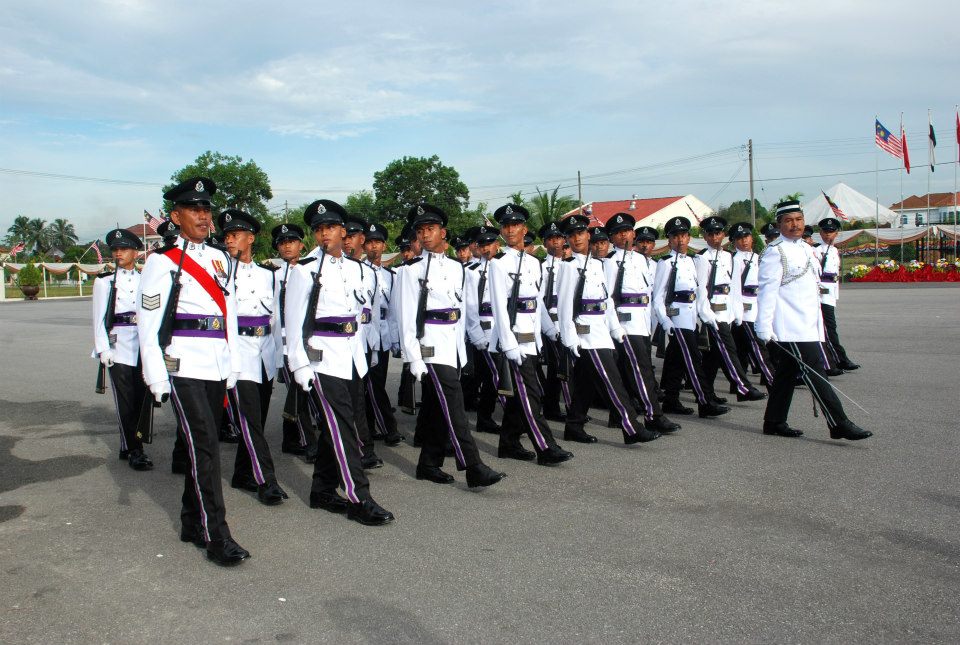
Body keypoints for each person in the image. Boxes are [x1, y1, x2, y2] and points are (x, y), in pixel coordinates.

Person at [137, 176, 250, 565]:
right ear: (176, 216)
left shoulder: (220, 259)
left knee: (204, 445)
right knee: (205, 448)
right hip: (182, 364)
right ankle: (216, 534)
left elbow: (229, 313)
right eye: (193, 210)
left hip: (216, 362)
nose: (203, 216)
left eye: (206, 210)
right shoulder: (161, 261)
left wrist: (233, 361)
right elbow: (149, 323)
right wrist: (156, 374)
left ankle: (190, 521)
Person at [284, 199, 394, 525]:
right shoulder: (304, 270)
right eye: (318, 229)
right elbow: (293, 323)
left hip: (352, 357)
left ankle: (321, 489)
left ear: (343, 232)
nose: (324, 234)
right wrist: (299, 365)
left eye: (330, 227)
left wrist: (367, 350)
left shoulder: (358, 269)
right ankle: (359, 497)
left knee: (337, 426)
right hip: (322, 359)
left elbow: (360, 314)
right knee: (344, 427)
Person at [398, 204, 506, 488]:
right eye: (420, 231)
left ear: (442, 232)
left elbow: (464, 310)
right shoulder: (410, 271)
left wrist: (469, 343)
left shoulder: (458, 268)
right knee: (454, 404)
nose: (425, 235)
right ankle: (473, 466)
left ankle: (428, 463)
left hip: (453, 346)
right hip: (430, 346)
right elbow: (406, 317)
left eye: (430, 229)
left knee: (437, 406)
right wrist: (413, 357)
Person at [755, 200, 872, 441]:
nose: (795, 225)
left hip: (808, 323)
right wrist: (763, 326)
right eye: (788, 221)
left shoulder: (808, 249)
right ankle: (839, 423)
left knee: (786, 374)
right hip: (789, 326)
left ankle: (774, 421)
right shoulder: (775, 252)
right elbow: (767, 291)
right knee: (816, 372)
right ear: (779, 224)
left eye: (798, 220)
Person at [557, 214, 661, 445]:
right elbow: (564, 307)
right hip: (585, 334)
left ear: (588, 235)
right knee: (612, 380)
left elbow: (607, 301)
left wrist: (615, 329)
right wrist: (570, 339)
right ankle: (631, 427)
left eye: (580, 233)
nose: (576, 238)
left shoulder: (598, 264)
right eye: (571, 235)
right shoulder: (568, 267)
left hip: (602, 331)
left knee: (586, 382)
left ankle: (574, 425)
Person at [488, 204, 573, 465]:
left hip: (531, 339)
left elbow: (537, 303)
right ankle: (546, 448)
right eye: (506, 226)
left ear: (524, 229)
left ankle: (509, 443)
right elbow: (499, 307)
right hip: (514, 340)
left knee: (520, 396)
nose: (510, 230)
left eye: (515, 225)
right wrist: (508, 343)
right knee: (531, 393)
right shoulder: (498, 264)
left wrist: (550, 330)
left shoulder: (535, 263)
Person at [218, 209, 288, 506]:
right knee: (250, 421)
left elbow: (276, 318)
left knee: (256, 418)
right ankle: (266, 480)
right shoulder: (221, 274)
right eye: (227, 236)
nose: (229, 240)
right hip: (239, 354)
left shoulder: (268, 275)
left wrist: (280, 357)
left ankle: (242, 473)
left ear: (250, 238)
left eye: (235, 235)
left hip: (264, 354)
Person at [603, 213, 680, 434]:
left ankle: (617, 416)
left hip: (643, 321)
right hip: (625, 322)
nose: (624, 236)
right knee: (641, 370)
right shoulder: (611, 262)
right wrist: (615, 326)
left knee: (628, 370)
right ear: (612, 238)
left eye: (627, 231)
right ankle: (653, 415)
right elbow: (608, 298)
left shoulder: (640, 260)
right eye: (618, 233)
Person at [651, 216, 729, 418]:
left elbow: (700, 291)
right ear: (669, 240)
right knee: (693, 359)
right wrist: (665, 321)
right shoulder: (666, 263)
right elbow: (658, 298)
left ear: (689, 238)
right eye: (675, 236)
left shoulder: (694, 261)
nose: (680, 240)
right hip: (677, 318)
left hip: (691, 316)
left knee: (676, 359)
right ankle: (705, 401)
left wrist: (704, 314)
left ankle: (671, 399)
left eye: (683, 236)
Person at [93, 228, 153, 471]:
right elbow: (98, 319)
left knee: (140, 398)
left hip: (142, 345)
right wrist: (103, 349)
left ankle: (126, 444)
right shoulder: (105, 281)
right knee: (125, 400)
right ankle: (135, 450)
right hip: (118, 346)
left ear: (135, 253)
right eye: (115, 250)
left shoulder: (145, 279)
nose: (118, 253)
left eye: (124, 249)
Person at [694, 216, 766, 403]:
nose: (714, 237)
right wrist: (705, 312)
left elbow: (734, 287)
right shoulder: (702, 258)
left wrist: (737, 312)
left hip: (727, 311)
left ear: (723, 235)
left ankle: (706, 397)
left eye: (718, 233)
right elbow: (701, 288)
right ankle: (743, 387)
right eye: (710, 234)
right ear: (705, 236)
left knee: (712, 356)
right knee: (728, 349)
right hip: (712, 311)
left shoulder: (729, 257)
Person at [272, 223, 319, 461]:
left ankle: (289, 439)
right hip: (284, 344)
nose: (287, 246)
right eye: (282, 243)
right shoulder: (273, 276)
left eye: (291, 241)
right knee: (298, 392)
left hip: (308, 341)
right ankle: (309, 443)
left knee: (303, 391)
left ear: (301, 245)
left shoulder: (310, 271)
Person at [361, 222, 404, 446]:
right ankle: (388, 428)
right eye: (369, 242)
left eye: (377, 242)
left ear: (384, 245)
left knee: (376, 383)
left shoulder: (390, 275)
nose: (373, 246)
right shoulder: (358, 271)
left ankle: (371, 428)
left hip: (384, 332)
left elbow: (394, 310)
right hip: (366, 331)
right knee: (371, 384)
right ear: (363, 245)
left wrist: (395, 339)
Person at [463, 224, 504, 435]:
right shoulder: (471, 272)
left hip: (502, 328)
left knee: (495, 377)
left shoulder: (503, 267)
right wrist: (476, 334)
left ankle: (486, 417)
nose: (486, 248)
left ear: (497, 244)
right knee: (491, 376)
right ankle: (485, 418)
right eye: (482, 244)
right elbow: (469, 307)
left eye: (490, 243)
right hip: (483, 330)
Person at [729, 222, 775, 388]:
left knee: (740, 348)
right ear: (734, 241)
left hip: (757, 304)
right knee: (758, 346)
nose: (744, 241)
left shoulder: (758, 257)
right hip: (744, 308)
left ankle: (737, 386)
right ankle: (772, 381)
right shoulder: (732, 260)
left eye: (747, 236)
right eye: (740, 238)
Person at [815, 217, 860, 372]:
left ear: (836, 233)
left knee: (828, 328)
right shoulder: (817, 251)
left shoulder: (834, 250)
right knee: (829, 328)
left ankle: (833, 360)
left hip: (830, 294)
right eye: (825, 231)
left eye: (831, 231)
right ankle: (840, 359)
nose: (828, 234)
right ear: (820, 233)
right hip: (821, 295)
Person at [538, 221, 571, 421]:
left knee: (567, 366)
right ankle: (553, 407)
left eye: (558, 238)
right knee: (557, 365)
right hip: (551, 322)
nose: (555, 242)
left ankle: (566, 405)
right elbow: (540, 299)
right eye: (551, 239)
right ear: (544, 243)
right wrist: (548, 327)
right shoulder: (541, 267)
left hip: (568, 322)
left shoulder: (569, 265)